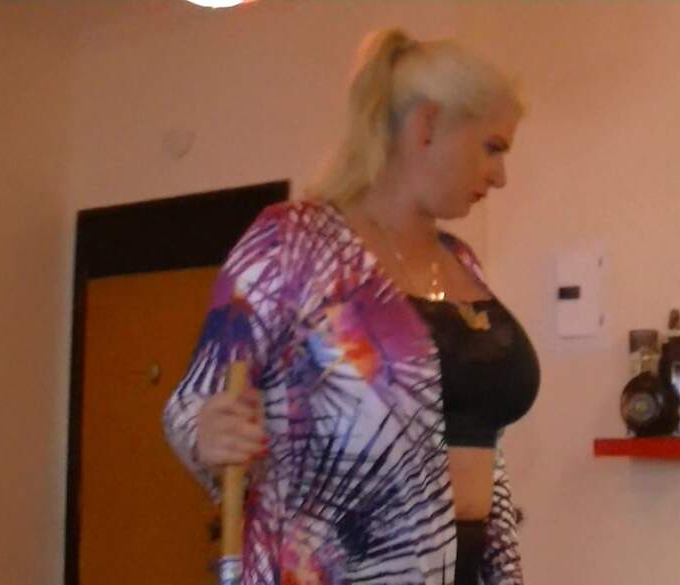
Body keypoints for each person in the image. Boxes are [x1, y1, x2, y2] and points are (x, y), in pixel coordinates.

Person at [163, 28, 540, 585]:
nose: (500, 176)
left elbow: (475, 434)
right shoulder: (293, 242)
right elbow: (193, 404)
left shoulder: (462, 262)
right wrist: (208, 432)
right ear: (428, 124)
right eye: (493, 147)